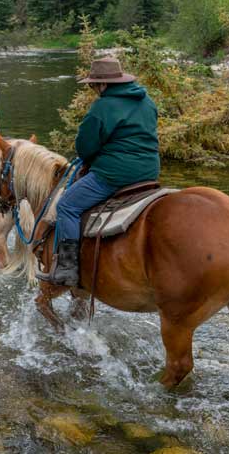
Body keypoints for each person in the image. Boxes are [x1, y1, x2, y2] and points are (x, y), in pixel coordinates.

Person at [41, 57, 160, 286]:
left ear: (103, 84)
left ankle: (67, 268)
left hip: (115, 174)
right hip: (149, 171)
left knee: (67, 205)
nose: (93, 89)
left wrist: (92, 158)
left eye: (94, 85)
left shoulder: (103, 107)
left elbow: (85, 147)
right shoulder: (147, 101)